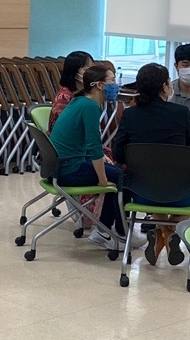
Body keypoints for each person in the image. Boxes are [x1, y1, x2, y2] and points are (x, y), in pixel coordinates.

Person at [111, 64, 190, 265]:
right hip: (182, 194)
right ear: (164, 86)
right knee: (188, 187)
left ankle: (162, 231)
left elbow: (118, 153)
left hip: (142, 193)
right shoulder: (181, 112)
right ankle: (171, 231)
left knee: (153, 181)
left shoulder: (130, 114)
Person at [48, 64, 139, 252]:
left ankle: (105, 230)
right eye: (112, 80)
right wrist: (102, 180)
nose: (115, 85)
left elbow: (84, 143)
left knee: (116, 173)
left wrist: (102, 165)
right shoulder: (90, 106)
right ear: (99, 85)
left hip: (59, 166)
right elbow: (94, 145)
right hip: (69, 169)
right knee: (122, 178)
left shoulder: (80, 101)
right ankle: (118, 232)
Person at [48, 49, 93, 130]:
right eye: (86, 69)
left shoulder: (89, 93)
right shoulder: (64, 95)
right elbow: (59, 126)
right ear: (74, 72)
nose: (92, 72)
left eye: (93, 68)